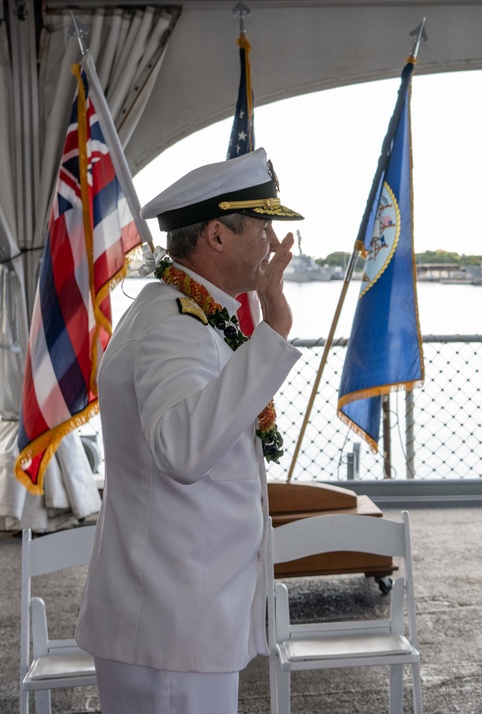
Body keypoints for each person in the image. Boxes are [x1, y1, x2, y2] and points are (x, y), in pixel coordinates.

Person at [75, 147, 304, 714]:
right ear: (217, 237)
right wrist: (273, 330)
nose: (273, 246)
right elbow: (181, 448)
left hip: (177, 615)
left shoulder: (184, 311)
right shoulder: (174, 324)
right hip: (170, 625)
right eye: (263, 228)